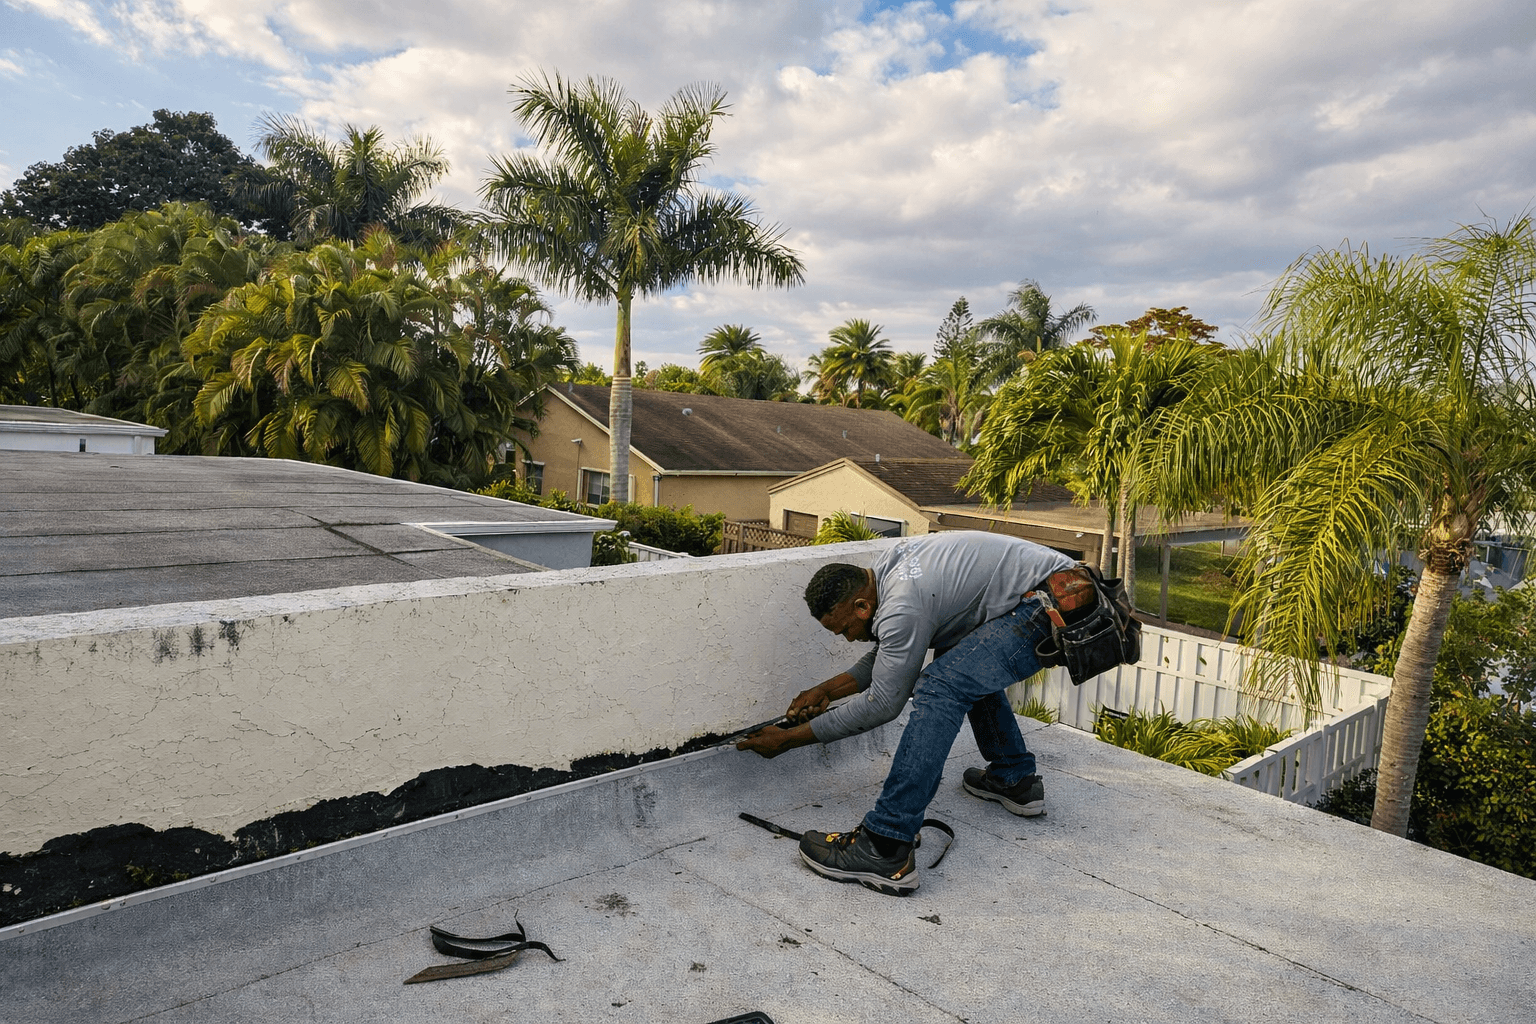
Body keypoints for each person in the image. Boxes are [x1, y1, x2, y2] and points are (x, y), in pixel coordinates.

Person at [737, 530, 1076, 895]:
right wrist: (826, 690)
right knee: (959, 664)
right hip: (1055, 592)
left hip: (1054, 605)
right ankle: (1015, 779)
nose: (849, 639)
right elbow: (894, 655)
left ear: (862, 608)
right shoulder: (886, 574)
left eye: (845, 630)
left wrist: (789, 740)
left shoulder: (902, 604)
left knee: (940, 685)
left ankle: (885, 843)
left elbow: (884, 703)